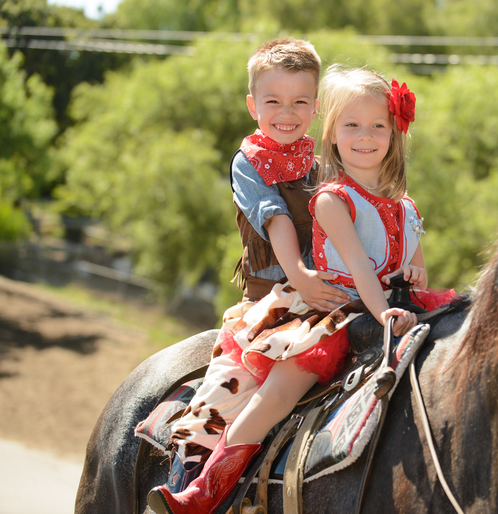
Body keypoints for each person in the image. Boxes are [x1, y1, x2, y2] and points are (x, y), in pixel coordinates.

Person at [147, 66, 435, 514]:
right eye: (352, 125)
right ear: (333, 134)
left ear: (396, 132)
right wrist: (383, 314)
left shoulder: (407, 205)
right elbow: (358, 264)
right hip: (335, 308)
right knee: (279, 392)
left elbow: (413, 267)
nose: (366, 135)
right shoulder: (332, 198)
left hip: (386, 306)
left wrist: (413, 280)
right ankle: (203, 491)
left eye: (378, 125)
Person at [230, 37, 350, 310]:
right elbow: (276, 218)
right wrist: (299, 278)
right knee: (271, 351)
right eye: (273, 101)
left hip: (324, 291)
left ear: (315, 108)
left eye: (299, 102)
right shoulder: (249, 162)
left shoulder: (321, 165)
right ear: (253, 106)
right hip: (272, 298)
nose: (287, 113)